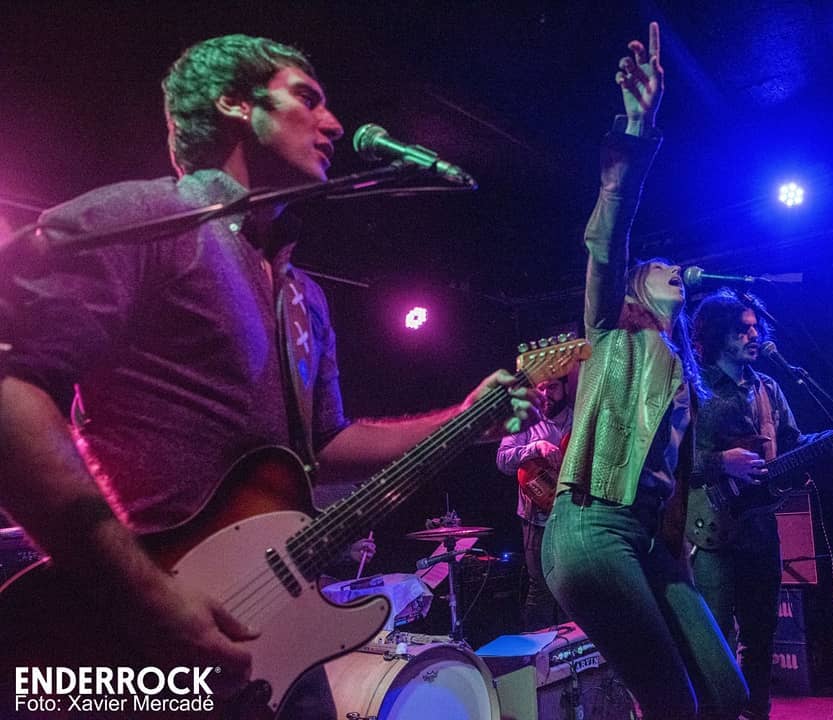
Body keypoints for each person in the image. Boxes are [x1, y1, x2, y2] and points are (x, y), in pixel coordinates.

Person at [0, 33, 535, 714]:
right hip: (128, 637)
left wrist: (462, 419)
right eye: (307, 98)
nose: (333, 123)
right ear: (234, 103)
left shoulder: (302, 294)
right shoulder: (146, 218)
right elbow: (10, 390)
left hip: (269, 639)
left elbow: (323, 447)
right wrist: (144, 592)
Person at [540, 22, 747, 720]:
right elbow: (608, 238)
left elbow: (675, 482)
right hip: (593, 526)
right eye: (659, 267)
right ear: (635, 286)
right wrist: (636, 128)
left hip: (654, 542)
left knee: (726, 693)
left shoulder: (683, 367)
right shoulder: (610, 332)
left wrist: (679, 550)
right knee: (672, 702)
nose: (674, 268)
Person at [689, 289, 822, 720]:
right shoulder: (693, 388)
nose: (753, 336)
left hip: (761, 527)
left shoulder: (769, 388)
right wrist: (720, 462)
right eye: (741, 330)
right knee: (714, 636)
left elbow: (792, 445)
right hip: (708, 528)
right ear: (717, 335)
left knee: (761, 634)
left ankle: (756, 713)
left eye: (754, 328)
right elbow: (666, 461)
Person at [497, 376, 572, 630]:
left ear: (565, 387)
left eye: (553, 387)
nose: (546, 393)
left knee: (572, 585)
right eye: (541, 387)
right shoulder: (524, 420)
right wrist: (536, 447)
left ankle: (572, 644)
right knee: (540, 588)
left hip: (573, 516)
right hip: (536, 519)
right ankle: (538, 647)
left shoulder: (579, 419)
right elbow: (502, 460)